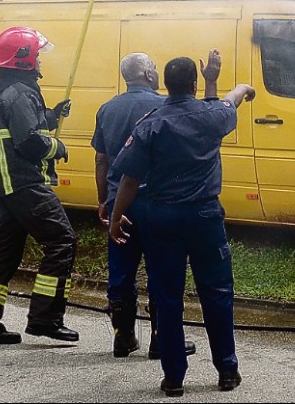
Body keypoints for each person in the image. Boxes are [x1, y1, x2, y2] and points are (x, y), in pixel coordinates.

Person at [109, 50, 255, 397]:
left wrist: (116, 219)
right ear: (193, 83)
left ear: (166, 84)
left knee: (168, 297)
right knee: (217, 294)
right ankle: (227, 372)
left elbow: (129, 179)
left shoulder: (151, 123)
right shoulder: (211, 116)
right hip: (204, 218)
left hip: (163, 220)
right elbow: (230, 103)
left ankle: (174, 377)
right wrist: (238, 85)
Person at [0, 26, 78, 344]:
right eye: (37, 55)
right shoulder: (20, 94)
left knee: (7, 253)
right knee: (62, 242)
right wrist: (59, 148)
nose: (40, 60)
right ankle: (45, 319)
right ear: (25, 60)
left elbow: (23, 126)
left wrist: (51, 116)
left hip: (4, 185)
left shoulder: (8, 92)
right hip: (25, 184)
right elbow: (29, 142)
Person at [91, 52, 197, 359]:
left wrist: (104, 201)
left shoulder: (107, 109)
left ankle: (123, 338)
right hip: (159, 205)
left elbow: (101, 158)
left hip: (120, 207)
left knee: (121, 272)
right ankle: (160, 340)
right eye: (152, 68)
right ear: (150, 75)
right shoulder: (165, 107)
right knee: (162, 271)